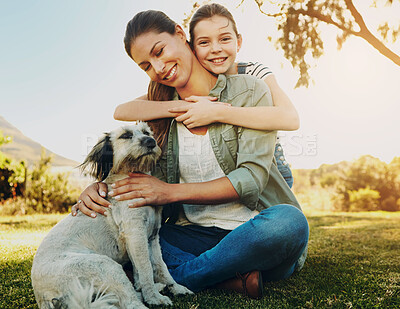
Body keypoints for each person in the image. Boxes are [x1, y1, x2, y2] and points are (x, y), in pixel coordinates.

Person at [74, 9, 309, 299]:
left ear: (179, 33)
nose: (158, 67)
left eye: (159, 51)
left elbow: (250, 181)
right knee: (130, 239)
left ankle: (176, 277)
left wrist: (169, 192)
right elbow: (132, 161)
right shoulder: (157, 113)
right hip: (192, 235)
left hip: (252, 229)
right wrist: (98, 187)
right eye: (147, 66)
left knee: (290, 223)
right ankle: (226, 278)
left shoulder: (250, 91)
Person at [114, 3, 297, 188]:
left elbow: (290, 118)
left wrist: (217, 112)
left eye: (224, 39)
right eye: (204, 42)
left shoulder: (250, 73)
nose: (215, 49)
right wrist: (186, 106)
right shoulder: (178, 88)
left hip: (272, 166)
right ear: (194, 45)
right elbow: (122, 111)